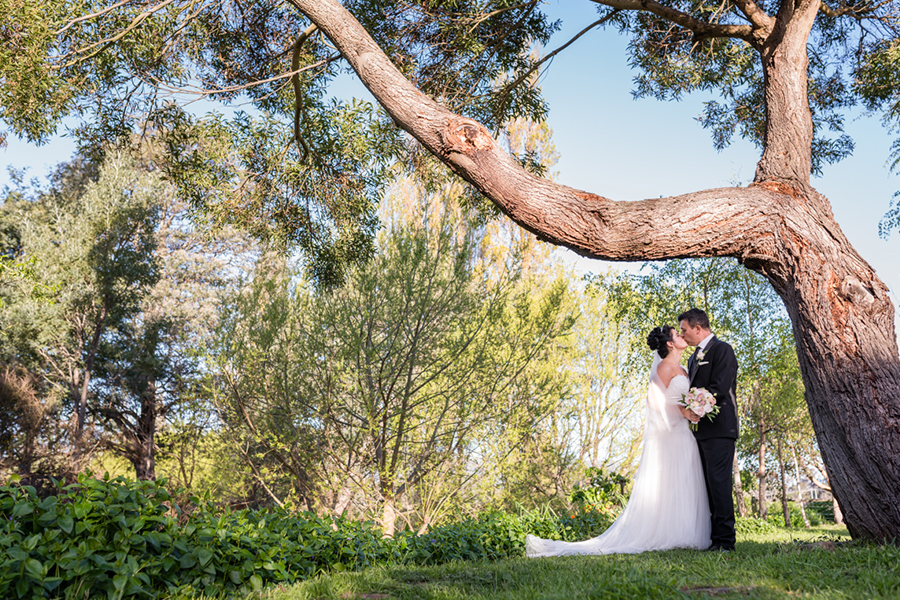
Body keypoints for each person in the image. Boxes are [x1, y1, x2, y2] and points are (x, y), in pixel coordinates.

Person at [525, 325, 710, 557]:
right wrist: (683, 411)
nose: (682, 335)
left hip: (684, 432)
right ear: (670, 343)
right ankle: (670, 534)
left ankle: (685, 532)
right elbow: (654, 401)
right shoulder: (664, 366)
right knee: (671, 483)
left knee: (684, 481)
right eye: (677, 334)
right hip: (670, 434)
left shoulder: (684, 367)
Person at [678, 308, 739, 552]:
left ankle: (725, 541)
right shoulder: (693, 358)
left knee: (719, 483)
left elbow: (720, 388)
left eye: (684, 330)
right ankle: (714, 539)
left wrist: (695, 406)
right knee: (708, 486)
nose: (682, 335)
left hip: (720, 428)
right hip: (700, 430)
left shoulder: (722, 350)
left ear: (698, 328)